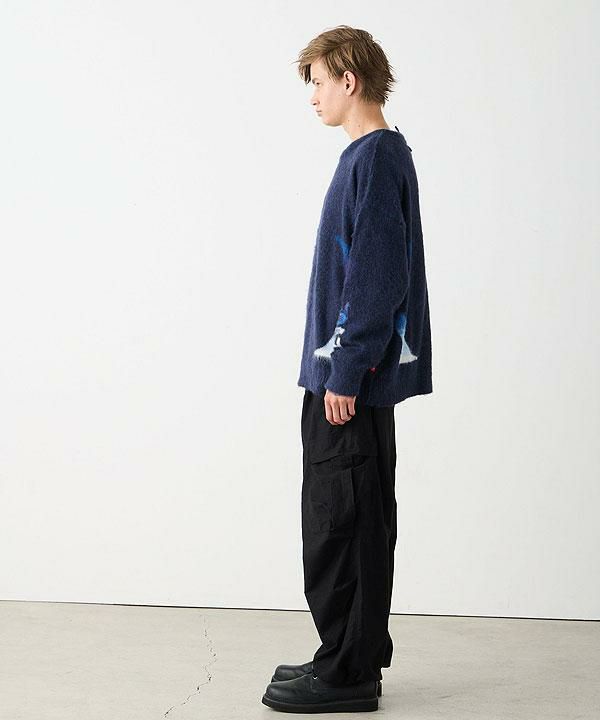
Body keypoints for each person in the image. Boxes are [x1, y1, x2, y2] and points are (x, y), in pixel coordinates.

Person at [262, 24, 433, 714]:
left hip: (347, 382)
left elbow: (378, 274)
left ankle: (349, 672)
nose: (313, 96)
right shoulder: (368, 157)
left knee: (346, 520)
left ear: (348, 80)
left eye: (318, 82)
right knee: (339, 516)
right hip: (339, 375)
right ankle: (344, 652)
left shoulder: (378, 158)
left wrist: (347, 369)